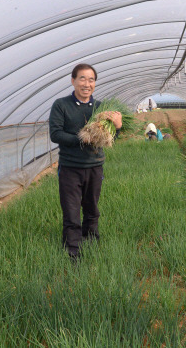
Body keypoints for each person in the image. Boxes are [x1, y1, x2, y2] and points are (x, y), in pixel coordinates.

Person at [49, 63, 122, 261]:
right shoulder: (61, 105)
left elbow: (112, 138)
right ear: (73, 81)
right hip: (70, 168)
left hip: (95, 167)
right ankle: (73, 253)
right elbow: (55, 134)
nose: (86, 83)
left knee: (92, 209)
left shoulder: (101, 108)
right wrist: (81, 138)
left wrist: (118, 126)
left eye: (91, 80)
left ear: (95, 84)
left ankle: (92, 244)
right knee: (71, 211)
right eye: (82, 78)